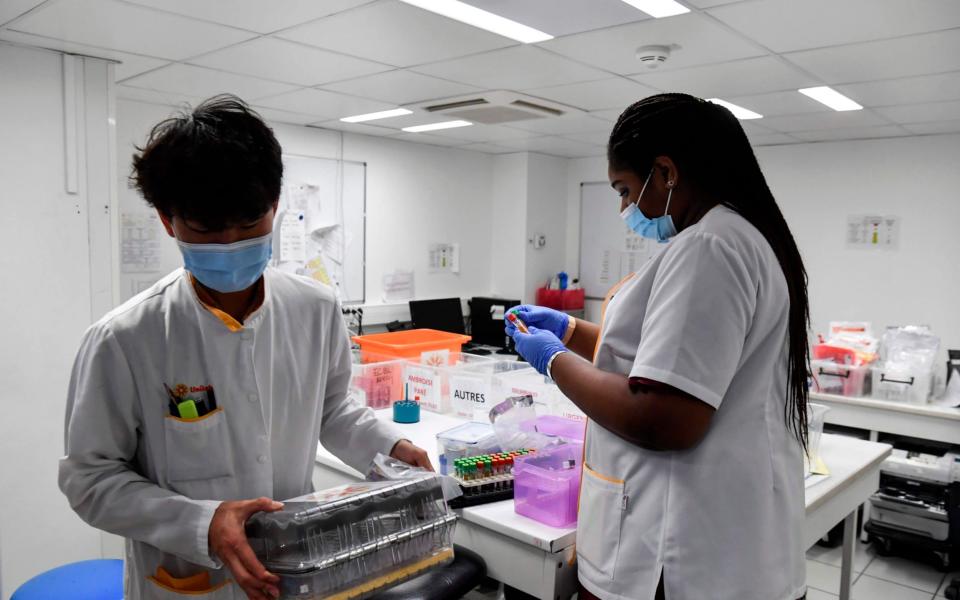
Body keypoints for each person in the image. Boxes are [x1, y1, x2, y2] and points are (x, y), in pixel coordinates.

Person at [58, 95, 431, 600]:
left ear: (276, 205)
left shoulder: (315, 308)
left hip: (296, 568)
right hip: (189, 579)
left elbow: (332, 409)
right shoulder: (126, 338)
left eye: (250, 222)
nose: (232, 243)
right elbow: (90, 479)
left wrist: (389, 446)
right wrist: (201, 523)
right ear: (168, 221)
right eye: (208, 229)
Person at [507, 93, 809, 600]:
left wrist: (553, 362)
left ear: (666, 172)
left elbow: (664, 416)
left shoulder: (708, 247)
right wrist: (569, 332)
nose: (625, 208)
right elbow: (666, 364)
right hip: (726, 547)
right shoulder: (740, 237)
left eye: (625, 190)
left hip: (682, 553)